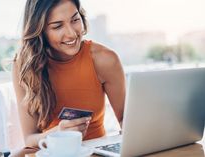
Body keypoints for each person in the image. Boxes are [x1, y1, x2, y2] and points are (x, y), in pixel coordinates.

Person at [12, 0, 125, 148]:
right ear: (39, 30)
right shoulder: (24, 66)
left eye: (75, 20)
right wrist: (56, 134)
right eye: (57, 26)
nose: (71, 33)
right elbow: (29, 140)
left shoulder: (105, 59)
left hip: (96, 152)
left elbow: (126, 120)